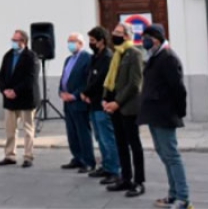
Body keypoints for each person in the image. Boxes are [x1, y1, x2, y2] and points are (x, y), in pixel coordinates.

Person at [137, 24, 192, 209]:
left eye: (147, 38)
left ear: (156, 39)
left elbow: (178, 89)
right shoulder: (155, 56)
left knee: (171, 155)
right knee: (165, 154)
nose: (143, 41)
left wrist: (179, 112)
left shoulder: (167, 57)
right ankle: (173, 194)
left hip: (165, 114)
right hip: (155, 113)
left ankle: (183, 198)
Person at [102, 22, 145, 198]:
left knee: (134, 144)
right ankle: (125, 177)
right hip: (114, 106)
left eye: (118, 32)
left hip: (128, 107)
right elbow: (110, 78)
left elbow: (134, 84)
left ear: (128, 35)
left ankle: (139, 181)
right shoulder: (117, 53)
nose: (114, 34)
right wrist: (106, 98)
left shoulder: (134, 53)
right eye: (114, 31)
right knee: (120, 143)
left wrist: (117, 102)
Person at [82, 26, 121, 183]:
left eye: (92, 40)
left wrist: (86, 92)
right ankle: (106, 166)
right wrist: (85, 93)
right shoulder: (95, 57)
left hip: (102, 103)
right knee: (100, 138)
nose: (90, 43)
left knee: (107, 138)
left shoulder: (107, 57)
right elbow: (90, 77)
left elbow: (101, 81)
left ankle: (114, 170)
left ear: (101, 41)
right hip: (93, 103)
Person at [0, 29, 40, 168]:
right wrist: (4, 90)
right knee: (10, 129)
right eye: (12, 39)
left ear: (24, 42)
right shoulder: (8, 56)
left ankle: (28, 156)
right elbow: (1, 75)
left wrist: (16, 91)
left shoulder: (31, 56)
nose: (13, 42)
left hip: (25, 98)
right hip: (9, 99)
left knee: (27, 129)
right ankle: (10, 155)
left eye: (16, 40)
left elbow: (30, 79)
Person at [59, 33, 94, 172]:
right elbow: (64, 78)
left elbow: (87, 81)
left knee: (82, 132)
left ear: (81, 43)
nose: (70, 44)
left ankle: (88, 160)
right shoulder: (68, 59)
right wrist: (61, 92)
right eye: (69, 41)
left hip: (79, 101)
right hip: (67, 102)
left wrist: (74, 95)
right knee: (72, 132)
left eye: (73, 41)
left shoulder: (87, 58)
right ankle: (77, 158)